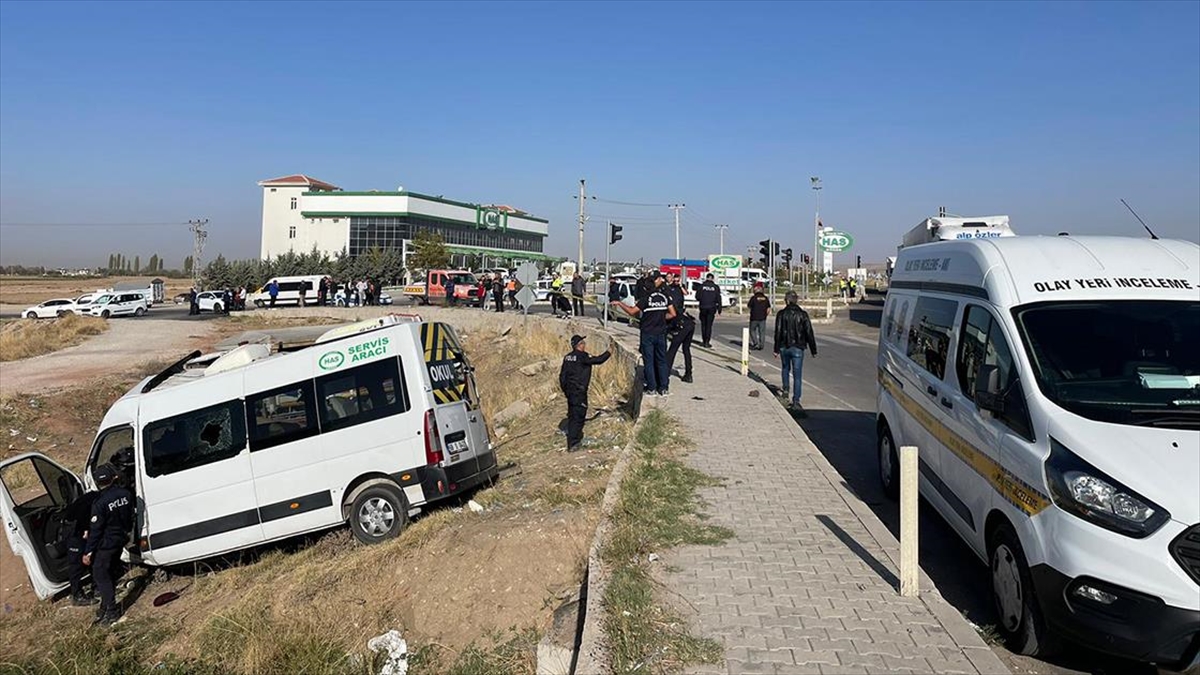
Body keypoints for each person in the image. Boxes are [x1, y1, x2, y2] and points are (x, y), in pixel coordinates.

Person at [611, 270, 676, 396]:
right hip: (661, 333)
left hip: (648, 333)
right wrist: (661, 318)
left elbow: (631, 312)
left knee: (649, 361)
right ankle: (664, 388)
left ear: (646, 287)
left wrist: (619, 303)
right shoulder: (664, 297)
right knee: (662, 360)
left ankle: (651, 388)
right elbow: (673, 314)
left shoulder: (645, 299)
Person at [83, 463, 133, 625]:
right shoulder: (126, 494)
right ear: (113, 478)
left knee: (100, 575)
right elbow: (129, 517)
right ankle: (104, 607)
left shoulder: (99, 503)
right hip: (121, 538)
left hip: (106, 543)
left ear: (97, 482)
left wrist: (88, 552)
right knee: (109, 571)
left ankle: (111, 610)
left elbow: (96, 530)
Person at [559, 334, 611, 451]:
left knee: (572, 414)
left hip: (570, 391)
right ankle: (574, 443)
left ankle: (572, 440)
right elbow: (598, 360)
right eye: (583, 343)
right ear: (579, 346)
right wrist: (609, 353)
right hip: (579, 391)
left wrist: (565, 390)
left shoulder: (567, 357)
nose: (585, 345)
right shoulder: (583, 356)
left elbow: (562, 376)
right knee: (579, 415)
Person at [773, 291, 818, 409]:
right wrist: (813, 350)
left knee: (785, 369)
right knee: (797, 375)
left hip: (784, 346)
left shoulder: (781, 314)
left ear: (786, 300)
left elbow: (778, 332)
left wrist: (776, 349)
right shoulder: (803, 314)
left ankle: (786, 391)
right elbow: (809, 332)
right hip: (798, 347)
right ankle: (796, 400)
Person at [63, 487, 99, 606]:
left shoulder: (94, 497)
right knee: (76, 565)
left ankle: (97, 588)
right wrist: (85, 530)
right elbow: (80, 517)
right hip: (74, 532)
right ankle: (76, 595)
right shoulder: (93, 500)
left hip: (80, 530)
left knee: (93, 559)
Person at [665, 274, 695, 383]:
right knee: (686, 349)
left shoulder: (674, 291)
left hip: (681, 324)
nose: (676, 282)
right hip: (687, 322)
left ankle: (665, 374)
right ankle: (688, 373)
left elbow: (673, 312)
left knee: (672, 349)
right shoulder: (673, 289)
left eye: (678, 280)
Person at [696, 273, 722, 348]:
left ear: (706, 278)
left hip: (703, 307)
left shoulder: (701, 286)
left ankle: (704, 341)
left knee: (703, 325)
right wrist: (719, 308)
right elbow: (718, 298)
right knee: (709, 325)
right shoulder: (716, 287)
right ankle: (707, 342)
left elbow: (697, 297)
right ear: (712, 278)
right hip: (712, 308)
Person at [747, 283, 771, 350]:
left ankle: (756, 343)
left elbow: (749, 306)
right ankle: (761, 345)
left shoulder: (753, 298)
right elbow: (768, 309)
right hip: (762, 318)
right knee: (762, 332)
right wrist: (765, 315)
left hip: (754, 318)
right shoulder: (765, 298)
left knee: (752, 330)